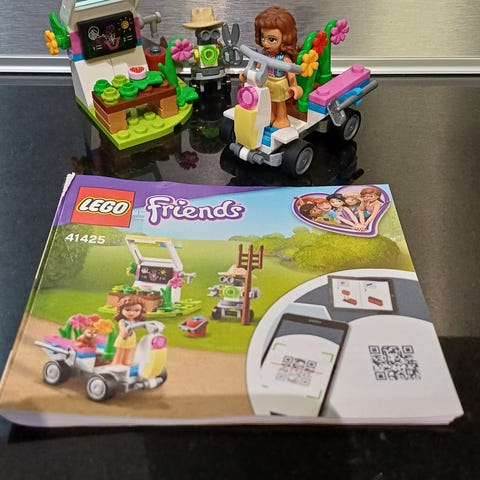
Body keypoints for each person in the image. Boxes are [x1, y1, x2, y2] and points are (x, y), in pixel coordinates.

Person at [250, 6, 303, 128]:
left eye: (271, 39)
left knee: (280, 103)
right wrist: (249, 74)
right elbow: (257, 66)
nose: (265, 42)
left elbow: (291, 73)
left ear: (285, 39)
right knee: (268, 101)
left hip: (279, 84)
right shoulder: (264, 54)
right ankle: (271, 115)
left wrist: (294, 85)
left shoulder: (283, 58)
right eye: (263, 37)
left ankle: (282, 118)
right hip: (266, 82)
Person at [112, 295, 147, 366]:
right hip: (123, 338)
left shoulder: (135, 321)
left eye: (136, 310)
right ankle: (117, 362)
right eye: (127, 310)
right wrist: (124, 332)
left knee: (128, 350)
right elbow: (122, 329)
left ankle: (126, 361)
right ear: (121, 310)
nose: (131, 313)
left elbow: (139, 326)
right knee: (120, 351)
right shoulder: (122, 321)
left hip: (131, 338)